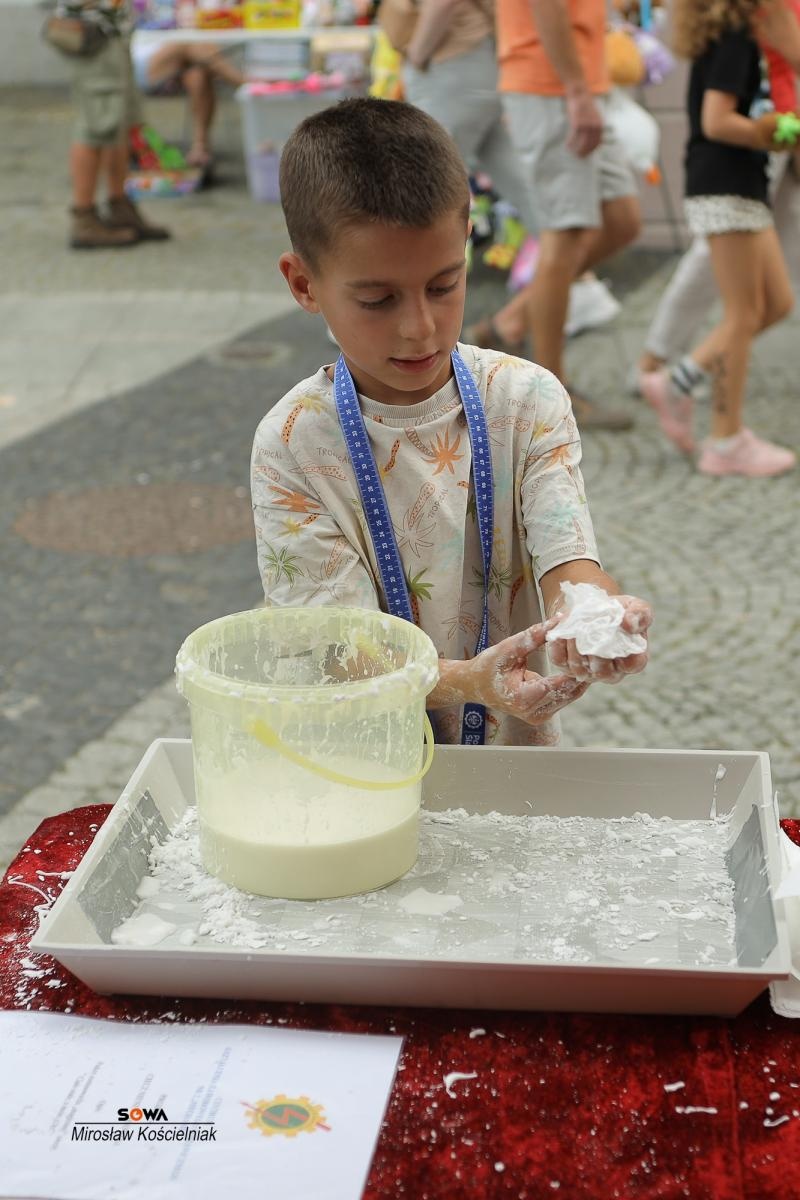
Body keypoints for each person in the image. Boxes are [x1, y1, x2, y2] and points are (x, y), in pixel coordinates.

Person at [251, 98, 652, 748]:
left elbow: (567, 557)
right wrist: (472, 682)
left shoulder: (525, 401)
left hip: (516, 775)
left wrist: (593, 614)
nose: (420, 327)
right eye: (378, 299)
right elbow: (341, 648)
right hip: (362, 775)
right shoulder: (295, 442)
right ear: (303, 283)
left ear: (467, 242)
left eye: (444, 285)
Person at [639, 0, 796, 477]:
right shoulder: (736, 38)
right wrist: (766, 134)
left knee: (776, 305)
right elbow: (715, 120)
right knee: (743, 314)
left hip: (741, 182)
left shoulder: (740, 34)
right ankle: (725, 439)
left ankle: (681, 380)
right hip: (724, 181)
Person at [487, 0, 642, 430]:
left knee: (622, 220)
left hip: (579, 80)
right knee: (566, 233)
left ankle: (511, 320)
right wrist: (575, 89)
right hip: (551, 84)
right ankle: (550, 399)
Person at [56, 0, 171, 249]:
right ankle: (83, 217)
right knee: (97, 125)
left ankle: (119, 206)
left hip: (112, 30)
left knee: (119, 123)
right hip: (93, 33)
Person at [131, 39, 247, 170]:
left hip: (179, 60)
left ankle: (199, 148)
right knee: (189, 42)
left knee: (198, 72)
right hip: (136, 64)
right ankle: (243, 82)